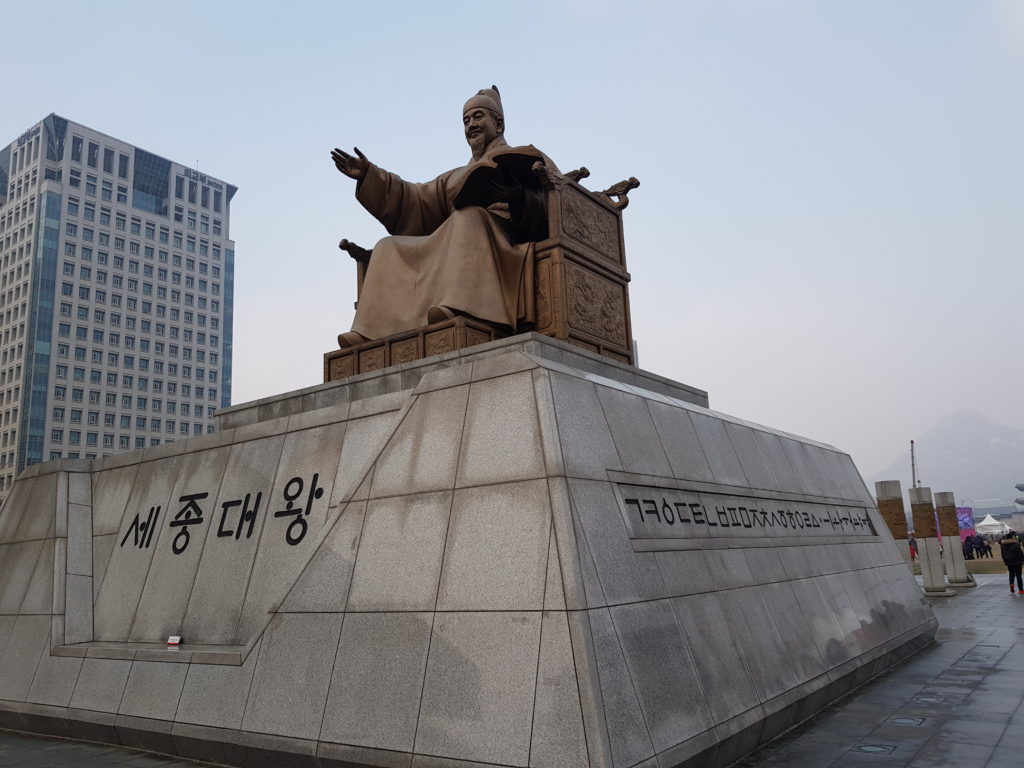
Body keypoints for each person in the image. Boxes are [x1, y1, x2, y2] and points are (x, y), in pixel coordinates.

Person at [331, 86, 550, 347]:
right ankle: (370, 332)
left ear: (499, 124)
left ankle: (462, 309)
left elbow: (554, 201)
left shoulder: (526, 157)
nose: (471, 125)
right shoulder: (456, 176)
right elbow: (416, 199)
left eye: (478, 117)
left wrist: (519, 197)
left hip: (505, 242)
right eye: (466, 121)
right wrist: (370, 175)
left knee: (469, 217)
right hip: (456, 238)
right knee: (388, 246)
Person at [998, 530, 1024, 594]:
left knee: (1011, 575)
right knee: (1018, 576)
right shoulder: (1016, 544)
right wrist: (1022, 560)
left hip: (1009, 562)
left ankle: (1011, 584)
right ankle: (1021, 590)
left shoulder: (1003, 545)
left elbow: (1002, 554)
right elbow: (1020, 554)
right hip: (1017, 562)